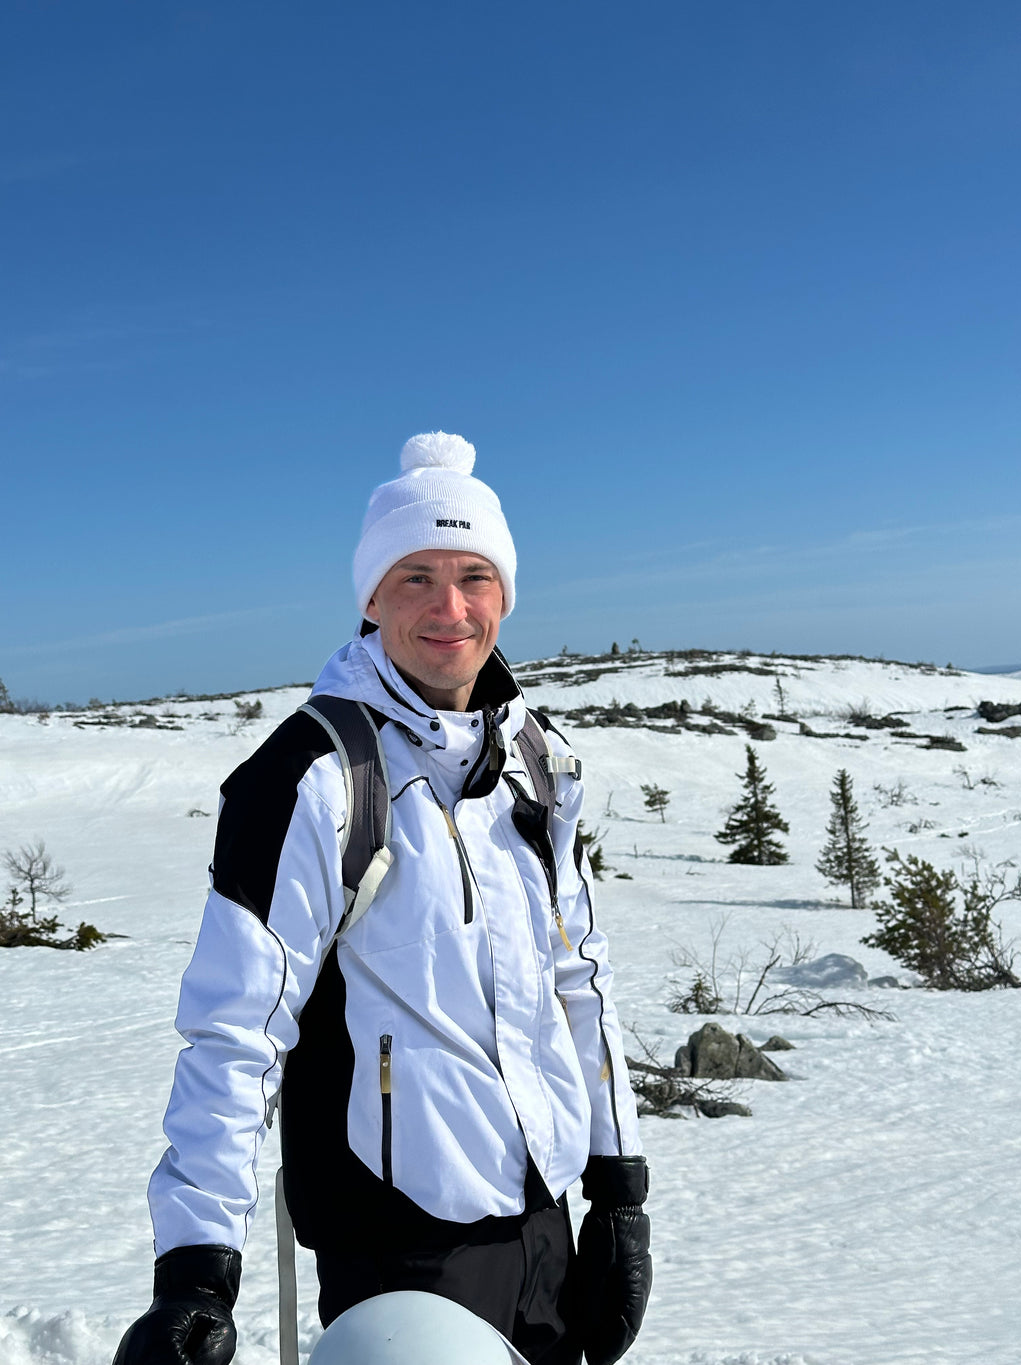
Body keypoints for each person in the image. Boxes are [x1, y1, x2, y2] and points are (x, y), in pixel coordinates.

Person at [113, 433, 651, 1365]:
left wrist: (617, 1185)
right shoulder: (312, 777)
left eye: (475, 575)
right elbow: (234, 1033)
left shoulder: (538, 762)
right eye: (416, 577)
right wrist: (195, 1269)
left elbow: (580, 980)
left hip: (543, 1227)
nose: (451, 607)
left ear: (505, 595)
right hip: (399, 1250)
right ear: (369, 596)